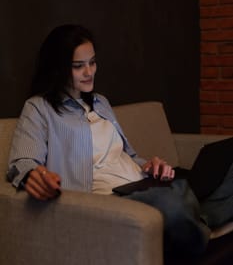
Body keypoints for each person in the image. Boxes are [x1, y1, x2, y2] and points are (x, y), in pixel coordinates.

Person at [6, 24, 231, 256]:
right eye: (78, 66)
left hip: (142, 184)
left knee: (218, 173)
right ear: (57, 69)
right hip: (111, 199)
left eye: (92, 62)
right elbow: (23, 161)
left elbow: (129, 155)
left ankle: (193, 219)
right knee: (171, 202)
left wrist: (149, 165)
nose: (89, 72)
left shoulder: (101, 102)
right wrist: (33, 176)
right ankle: (199, 225)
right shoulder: (39, 108)